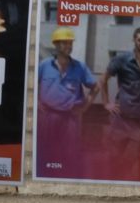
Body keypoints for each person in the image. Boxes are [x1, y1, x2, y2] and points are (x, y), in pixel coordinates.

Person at [99, 25, 140, 173]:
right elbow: (103, 80)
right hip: (121, 119)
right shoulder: (122, 59)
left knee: (128, 163)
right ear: (134, 40)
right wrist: (106, 103)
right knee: (114, 161)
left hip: (139, 121)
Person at [35, 25, 96, 161]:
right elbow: (31, 84)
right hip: (47, 116)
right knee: (45, 152)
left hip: (70, 118)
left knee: (69, 155)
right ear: (56, 44)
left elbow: (95, 87)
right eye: (64, 43)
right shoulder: (44, 65)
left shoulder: (80, 67)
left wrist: (85, 107)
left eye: (70, 43)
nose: (68, 46)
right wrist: (36, 102)